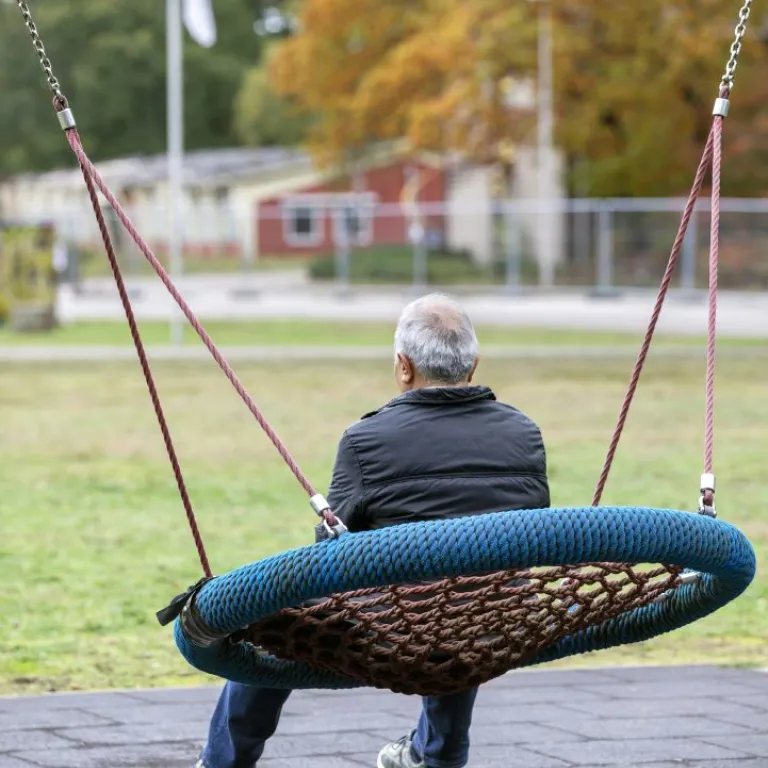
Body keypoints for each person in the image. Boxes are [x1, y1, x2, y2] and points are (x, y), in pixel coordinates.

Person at [197, 292, 550, 768]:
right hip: (493, 625)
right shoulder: (524, 433)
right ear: (473, 365)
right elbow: (526, 527)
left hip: (392, 633)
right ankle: (436, 754)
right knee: (473, 589)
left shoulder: (367, 440)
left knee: (272, 618)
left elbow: (331, 551)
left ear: (404, 366)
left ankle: (224, 761)